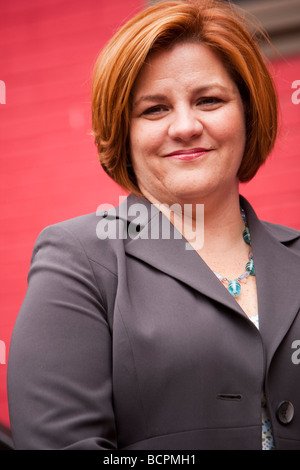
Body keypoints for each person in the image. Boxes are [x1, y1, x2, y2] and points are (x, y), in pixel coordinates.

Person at [7, 0, 300, 450]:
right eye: (155, 110)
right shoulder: (80, 257)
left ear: (248, 113)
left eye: (209, 100)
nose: (185, 126)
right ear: (124, 133)